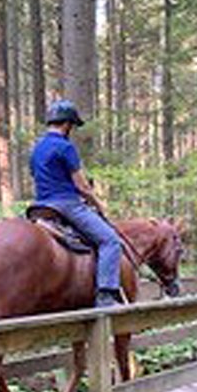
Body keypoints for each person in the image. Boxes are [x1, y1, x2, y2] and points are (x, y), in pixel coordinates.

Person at [29, 100, 123, 307]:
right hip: (66, 204)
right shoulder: (65, 147)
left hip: (39, 207)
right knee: (111, 241)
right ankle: (106, 295)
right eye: (72, 126)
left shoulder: (36, 148)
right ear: (67, 124)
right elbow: (81, 186)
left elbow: (37, 176)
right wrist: (99, 204)